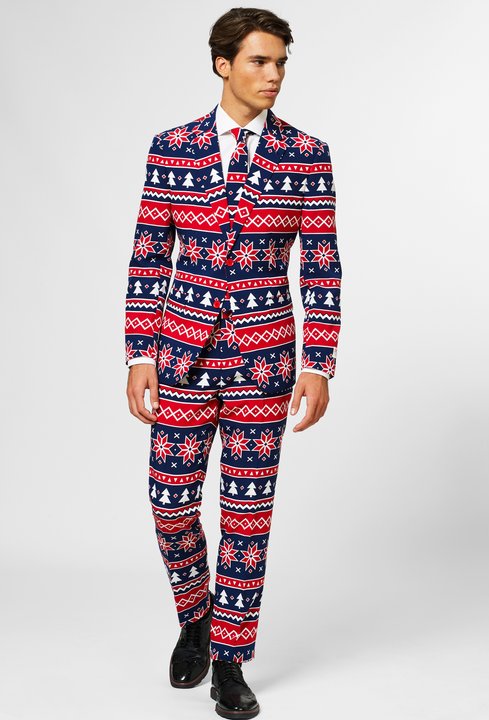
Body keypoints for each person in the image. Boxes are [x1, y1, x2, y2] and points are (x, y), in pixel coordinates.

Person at [124, 7, 341, 718]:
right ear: (223, 64)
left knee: (248, 517)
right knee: (169, 503)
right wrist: (140, 352)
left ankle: (230, 661)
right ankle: (196, 616)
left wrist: (319, 363)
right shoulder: (172, 148)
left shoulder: (307, 153)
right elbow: (149, 255)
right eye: (259, 61)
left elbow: (322, 267)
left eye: (281, 62)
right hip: (181, 357)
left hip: (263, 364)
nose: (273, 75)